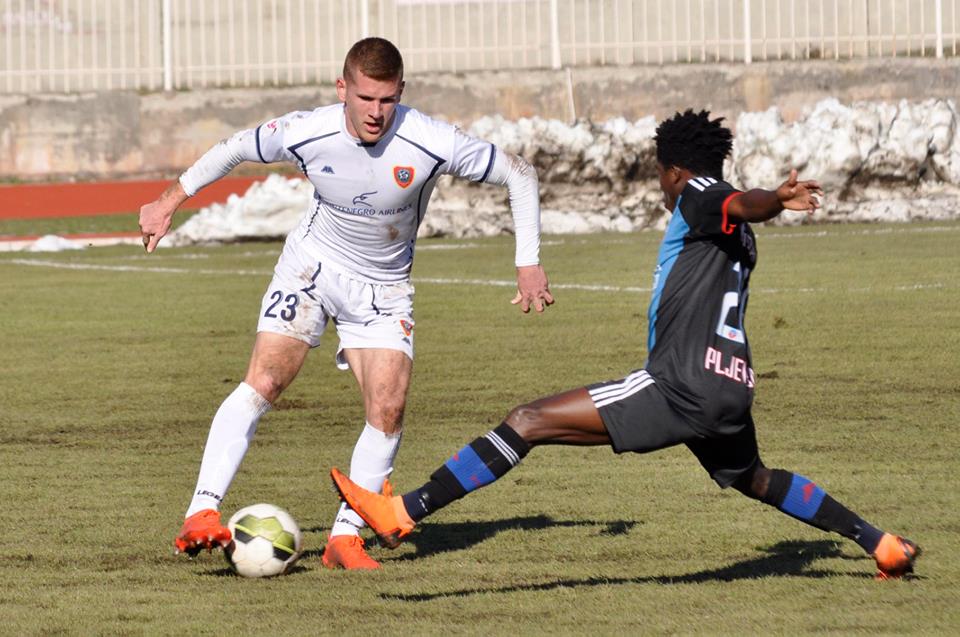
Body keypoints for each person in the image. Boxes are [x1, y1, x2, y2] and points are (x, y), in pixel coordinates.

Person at [330, 109, 920, 580]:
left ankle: (402, 511)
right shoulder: (735, 234)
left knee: (527, 420)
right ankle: (881, 543)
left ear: (674, 172)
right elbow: (740, 212)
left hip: (680, 384)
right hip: (731, 385)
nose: (661, 186)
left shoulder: (700, 194)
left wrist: (774, 200)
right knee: (754, 478)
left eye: (660, 174)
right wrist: (764, 206)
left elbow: (741, 202)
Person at [139, 37, 554, 570]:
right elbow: (236, 147)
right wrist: (168, 202)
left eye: (387, 99)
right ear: (342, 89)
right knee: (265, 381)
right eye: (365, 98)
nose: (376, 112)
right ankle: (201, 511)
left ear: (401, 92)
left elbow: (519, 173)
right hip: (310, 269)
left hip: (384, 289)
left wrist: (527, 262)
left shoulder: (431, 139)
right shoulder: (308, 130)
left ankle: (345, 538)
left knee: (388, 409)